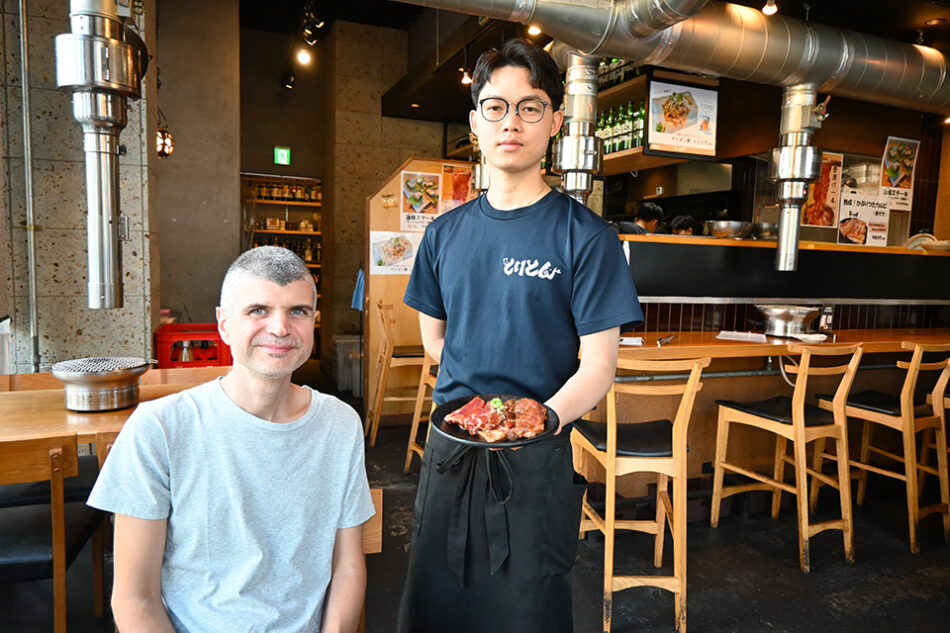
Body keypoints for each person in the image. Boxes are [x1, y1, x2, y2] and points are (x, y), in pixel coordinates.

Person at [397, 39, 643, 633]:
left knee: (525, 614)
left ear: (555, 122)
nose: (513, 122)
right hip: (453, 452)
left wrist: (537, 421)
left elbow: (598, 368)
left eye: (531, 107)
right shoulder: (444, 234)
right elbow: (435, 342)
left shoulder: (587, 238)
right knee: (437, 609)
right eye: (496, 106)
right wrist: (483, 415)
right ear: (476, 119)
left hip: (537, 461)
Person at [88, 246, 375, 633]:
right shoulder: (159, 428)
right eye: (258, 310)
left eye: (298, 311)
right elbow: (134, 597)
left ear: (314, 322)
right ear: (223, 324)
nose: (279, 328)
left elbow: (348, 567)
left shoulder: (340, 424)